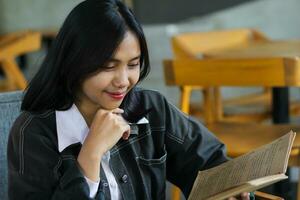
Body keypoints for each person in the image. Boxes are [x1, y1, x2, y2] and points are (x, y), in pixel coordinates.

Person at [7, 0, 252, 199]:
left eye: (133, 65)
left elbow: (209, 161)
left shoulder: (151, 109)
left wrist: (231, 189)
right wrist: (90, 155)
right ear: (75, 62)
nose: (123, 81)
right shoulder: (34, 133)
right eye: (108, 66)